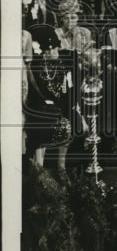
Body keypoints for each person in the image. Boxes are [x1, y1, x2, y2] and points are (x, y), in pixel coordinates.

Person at [24, 24, 82, 170]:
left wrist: (72, 110)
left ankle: (61, 165)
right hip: (43, 109)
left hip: (65, 106)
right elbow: (39, 96)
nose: (52, 52)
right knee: (44, 124)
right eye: (48, 50)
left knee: (75, 124)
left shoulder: (68, 60)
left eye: (55, 47)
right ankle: (39, 169)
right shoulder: (34, 68)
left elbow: (73, 89)